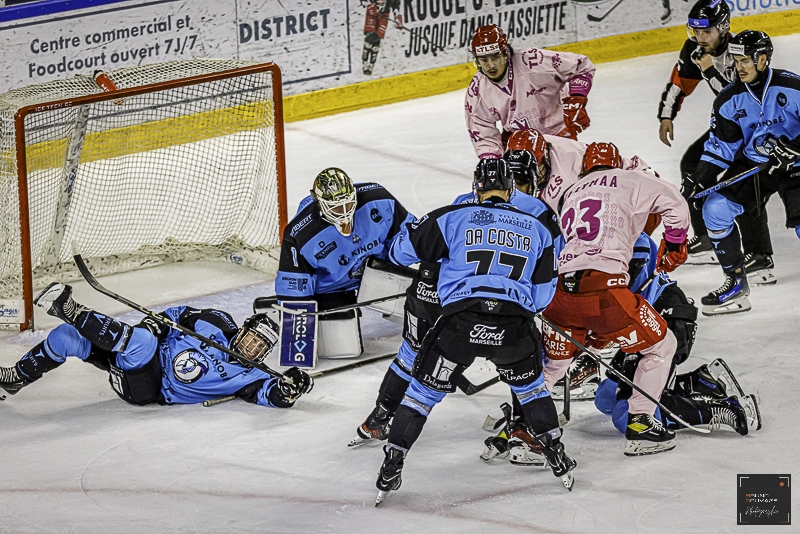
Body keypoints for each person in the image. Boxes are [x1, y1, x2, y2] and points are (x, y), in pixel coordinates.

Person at [373, 159, 575, 505]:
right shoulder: (537, 228)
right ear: (511, 190)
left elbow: (400, 252)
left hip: (458, 326)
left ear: (475, 188)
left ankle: (392, 463)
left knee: (420, 396)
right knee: (531, 391)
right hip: (513, 328)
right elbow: (542, 297)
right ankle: (556, 453)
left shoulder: (453, 216)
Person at [539, 141, 691, 457]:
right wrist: (675, 243)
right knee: (663, 346)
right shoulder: (630, 179)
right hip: (605, 291)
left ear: (585, 168)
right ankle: (641, 423)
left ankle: (521, 427)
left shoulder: (568, 194)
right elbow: (675, 202)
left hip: (561, 294)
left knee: (553, 365)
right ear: (616, 164)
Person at [0, 283, 313, 408]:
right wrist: (154, 324)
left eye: (261, 348)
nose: (253, 349)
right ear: (243, 330)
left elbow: (271, 395)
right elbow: (176, 315)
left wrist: (288, 390)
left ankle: (74, 311)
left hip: (148, 387)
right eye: (253, 339)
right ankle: (16, 378)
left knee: (143, 343)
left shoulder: (253, 376)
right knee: (64, 337)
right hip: (130, 358)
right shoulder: (217, 320)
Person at [658, 0, 774, 273]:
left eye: (706, 32)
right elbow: (679, 82)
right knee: (692, 166)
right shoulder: (695, 50)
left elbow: (739, 97)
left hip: (758, 128)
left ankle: (759, 253)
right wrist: (666, 115)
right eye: (696, 31)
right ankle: (708, 236)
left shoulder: (742, 51)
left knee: (746, 184)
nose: (700, 38)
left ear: (723, 28)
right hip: (730, 127)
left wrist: (709, 71)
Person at [696, 30, 800, 316]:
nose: (738, 67)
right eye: (735, 60)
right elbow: (721, 148)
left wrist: (795, 147)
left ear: (762, 60)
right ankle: (736, 283)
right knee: (715, 209)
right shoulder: (728, 99)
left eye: (745, 61)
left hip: (795, 167)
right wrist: (698, 180)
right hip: (756, 165)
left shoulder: (792, 87)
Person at [272, 168, 414, 357]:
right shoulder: (300, 235)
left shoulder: (379, 200)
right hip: (331, 289)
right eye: (337, 208)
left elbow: (416, 238)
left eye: (348, 204)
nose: (345, 213)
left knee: (417, 292)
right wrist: (296, 350)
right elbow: (294, 290)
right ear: (320, 204)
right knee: (346, 347)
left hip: (374, 273)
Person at [465, 24, 595, 160]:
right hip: (518, 144)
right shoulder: (477, 89)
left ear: (505, 54)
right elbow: (481, 126)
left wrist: (576, 99)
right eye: (484, 60)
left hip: (558, 135)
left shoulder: (534, 60)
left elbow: (581, 66)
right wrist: (491, 159)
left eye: (495, 57)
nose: (491, 65)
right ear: (477, 61)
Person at [361, 0, 402, 75]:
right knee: (370, 36)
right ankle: (365, 62)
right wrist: (368, 2)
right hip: (372, 10)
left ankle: (371, 64)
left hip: (384, 14)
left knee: (378, 36)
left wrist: (397, 16)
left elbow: (395, 3)